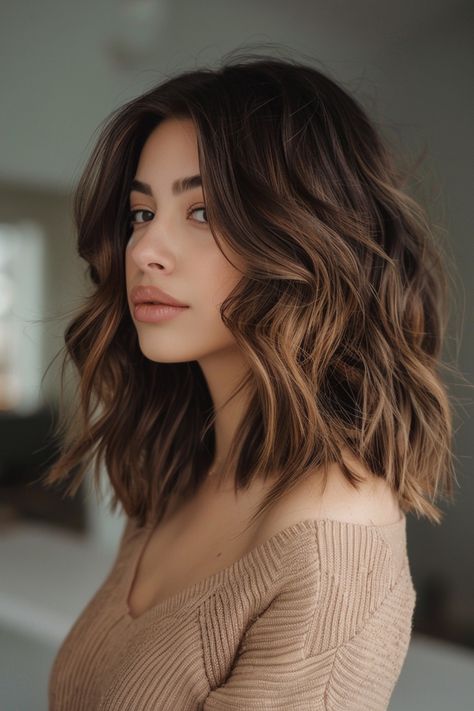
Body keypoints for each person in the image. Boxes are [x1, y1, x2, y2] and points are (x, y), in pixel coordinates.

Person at [45, 49, 456, 710]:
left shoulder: (330, 549)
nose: (144, 249)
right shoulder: (179, 472)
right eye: (141, 213)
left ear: (305, 240)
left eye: (202, 212)